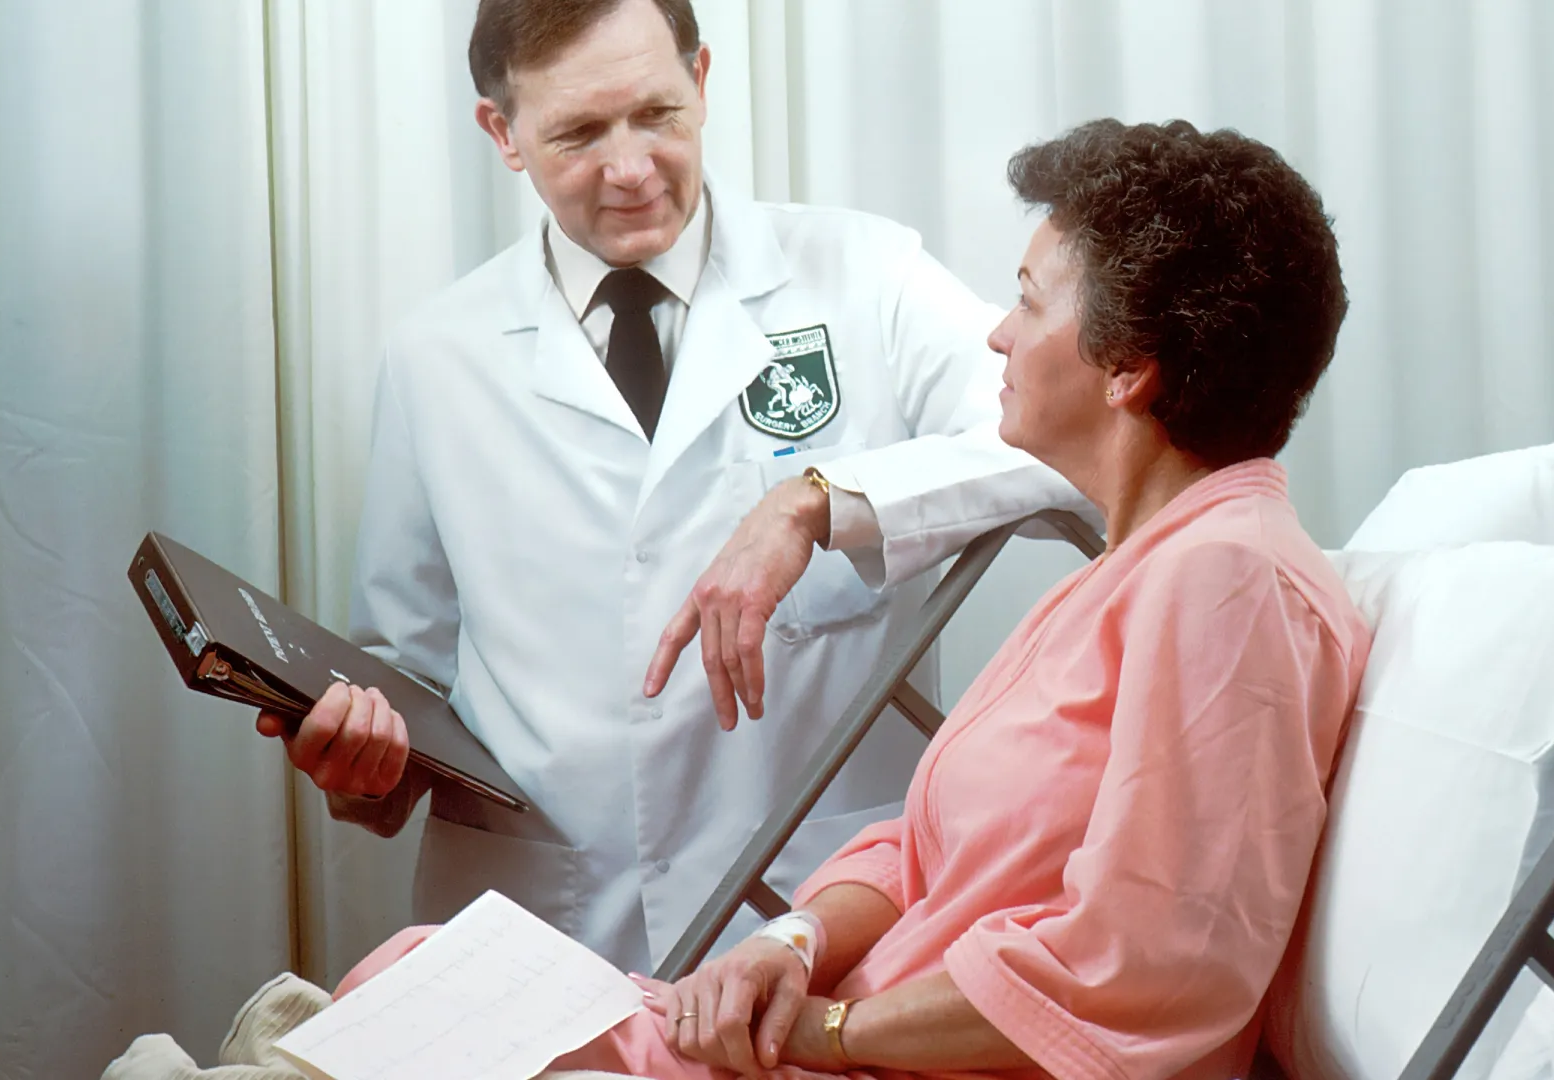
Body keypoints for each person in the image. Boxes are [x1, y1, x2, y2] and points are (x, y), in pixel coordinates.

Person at [331, 118, 1372, 1080]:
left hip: (878, 1054)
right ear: (502, 127)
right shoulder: (1133, 571)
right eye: (576, 130)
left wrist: (826, 1033)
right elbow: (926, 847)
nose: (998, 337)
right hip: (834, 1022)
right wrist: (793, 940)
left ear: (1130, 370)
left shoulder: (1228, 580)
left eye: (1028, 299)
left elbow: (1146, 968)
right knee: (417, 975)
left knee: (420, 1018)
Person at [257, 0, 1087, 973]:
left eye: (657, 114)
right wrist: (364, 770)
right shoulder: (436, 357)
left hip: (813, 924)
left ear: (700, 79)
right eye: (577, 132)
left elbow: (1071, 442)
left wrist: (819, 501)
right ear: (502, 132)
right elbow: (409, 679)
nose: (631, 168)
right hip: (545, 936)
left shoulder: (868, 275)